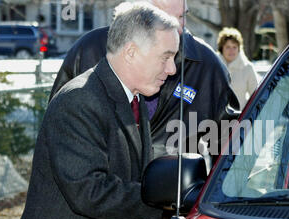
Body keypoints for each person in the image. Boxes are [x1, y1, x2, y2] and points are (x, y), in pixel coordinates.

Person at [2, 2, 180, 219]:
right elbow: (89, 190)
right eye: (166, 57)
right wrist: (165, 205)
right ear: (132, 52)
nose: (171, 69)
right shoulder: (80, 100)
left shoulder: (132, 98)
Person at [49, 0, 240, 162]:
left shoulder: (207, 68)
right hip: (92, 198)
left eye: (182, 17)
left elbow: (228, 149)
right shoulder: (90, 51)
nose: (178, 29)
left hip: (172, 202)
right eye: (164, 19)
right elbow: (56, 133)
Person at [217, 27, 258, 110]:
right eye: (228, 47)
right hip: (215, 118)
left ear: (239, 49)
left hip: (240, 118)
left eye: (234, 47)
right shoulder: (214, 67)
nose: (231, 51)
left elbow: (256, 96)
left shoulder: (248, 68)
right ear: (222, 48)